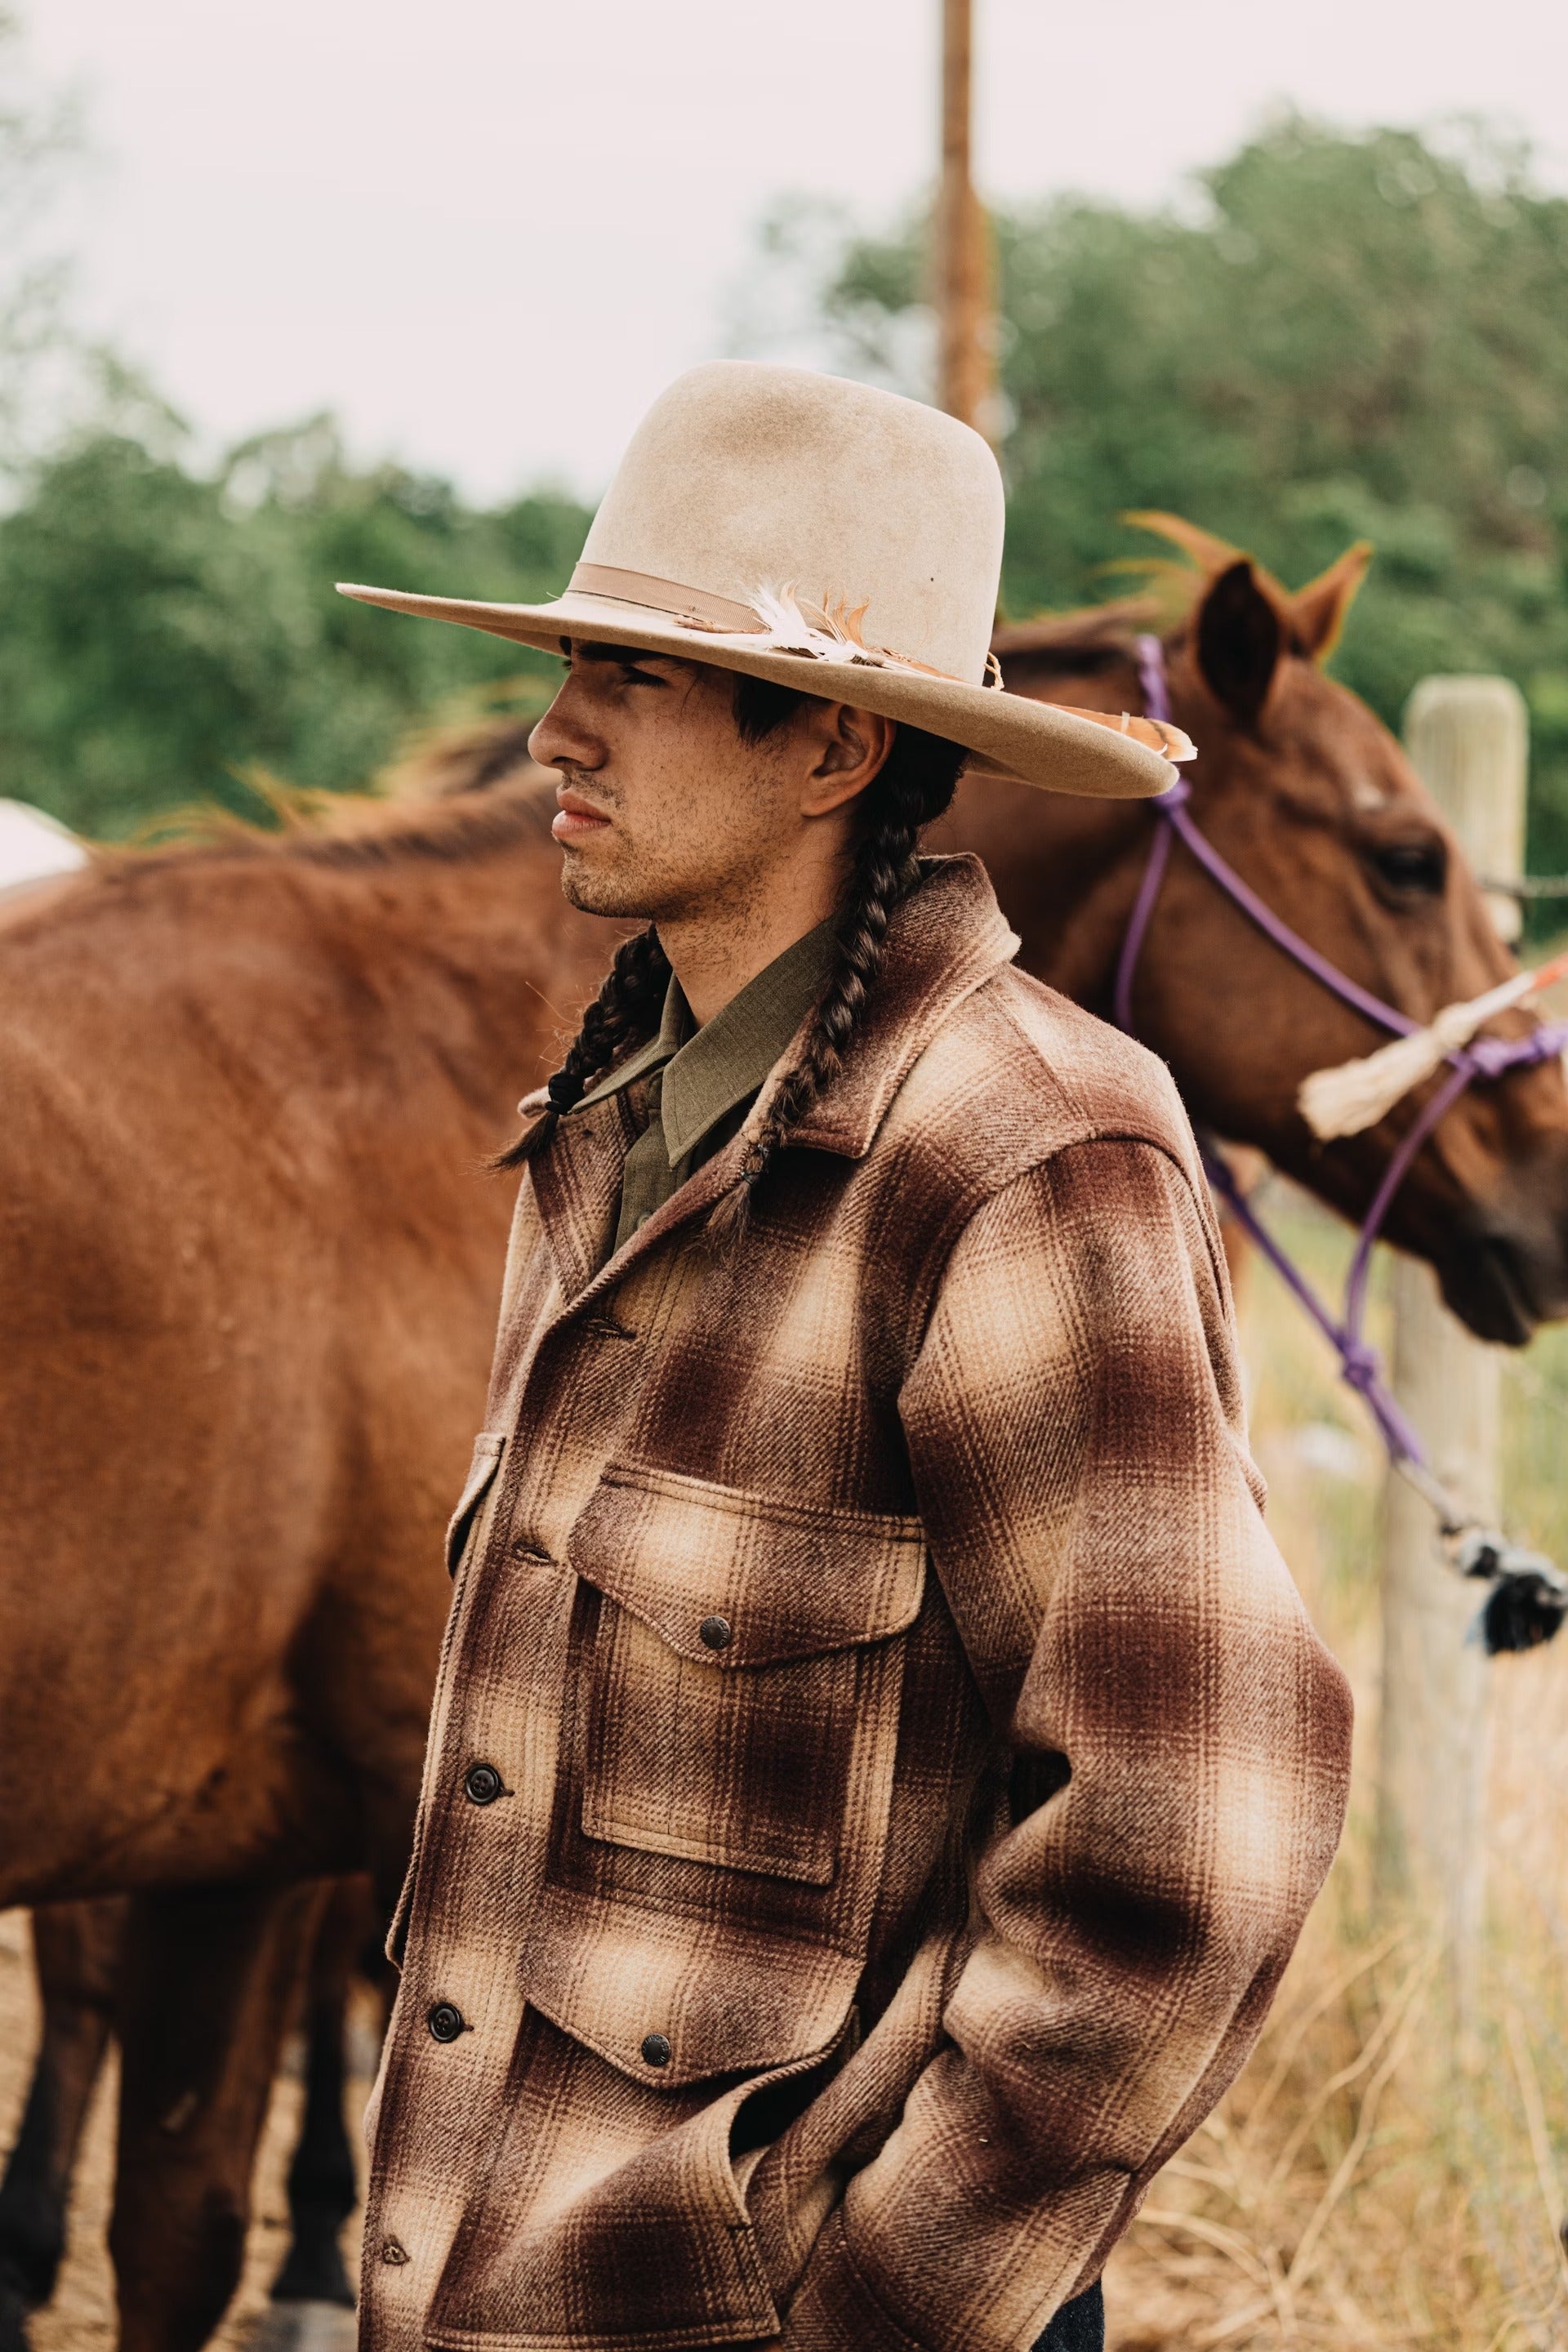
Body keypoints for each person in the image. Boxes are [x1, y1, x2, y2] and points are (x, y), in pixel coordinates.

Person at [339, 363, 1352, 2352]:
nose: (554, 729)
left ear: (826, 746)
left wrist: (891, 2309)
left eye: (634, 679)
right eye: (575, 664)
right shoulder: (603, 1124)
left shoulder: (1027, 1156)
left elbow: (1188, 1857)